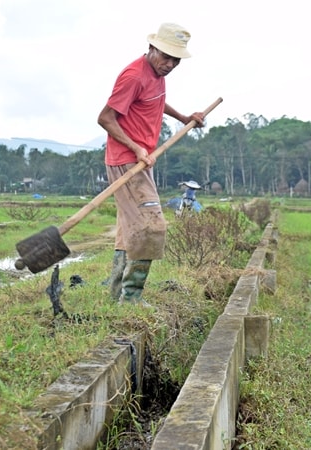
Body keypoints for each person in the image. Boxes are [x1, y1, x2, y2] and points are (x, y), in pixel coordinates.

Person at [97, 23, 206, 304]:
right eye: (166, 57)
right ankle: (130, 297)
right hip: (127, 162)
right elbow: (105, 118)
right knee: (152, 227)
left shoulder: (157, 74)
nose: (170, 65)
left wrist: (183, 118)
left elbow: (155, 101)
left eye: (176, 60)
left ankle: (116, 297)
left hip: (142, 160)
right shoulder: (134, 75)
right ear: (152, 48)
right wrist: (136, 148)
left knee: (129, 231)